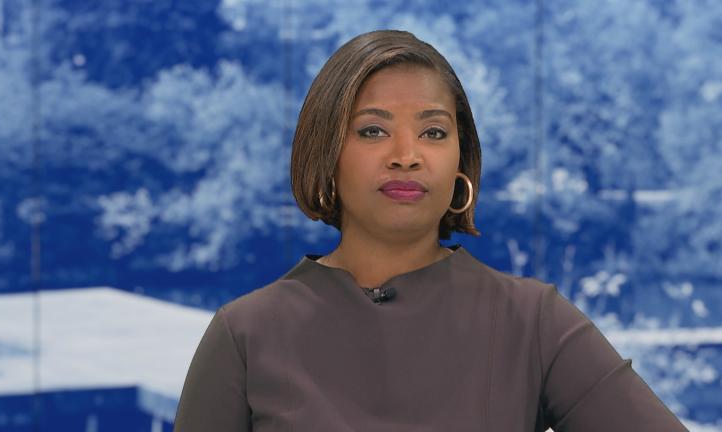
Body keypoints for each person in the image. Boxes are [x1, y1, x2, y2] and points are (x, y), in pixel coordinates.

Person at [173, 30, 686, 431]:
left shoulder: (533, 321)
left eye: (433, 132)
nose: (407, 155)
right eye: (373, 130)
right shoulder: (245, 334)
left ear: (461, 159)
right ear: (326, 153)